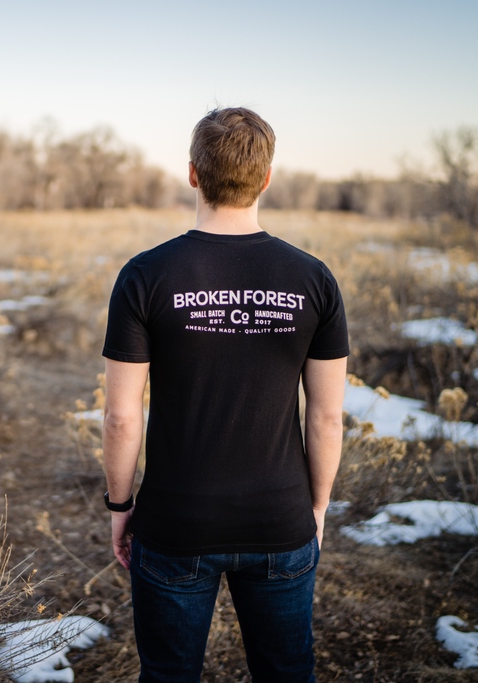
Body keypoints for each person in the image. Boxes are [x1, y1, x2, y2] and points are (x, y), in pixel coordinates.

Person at [100, 107, 348, 682]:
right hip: (279, 521)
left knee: (168, 675)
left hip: (175, 523)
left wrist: (119, 508)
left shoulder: (145, 275)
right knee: (287, 672)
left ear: (192, 173)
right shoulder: (314, 279)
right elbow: (328, 418)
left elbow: (119, 416)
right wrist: (315, 508)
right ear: (266, 178)